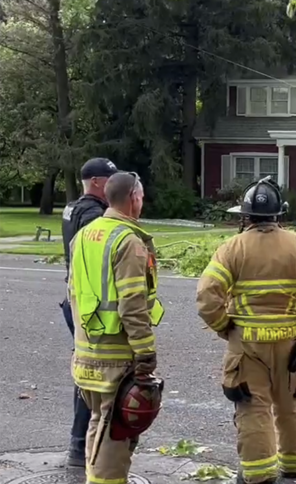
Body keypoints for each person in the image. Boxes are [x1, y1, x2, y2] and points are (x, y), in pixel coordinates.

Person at [196, 176, 296, 484]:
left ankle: (259, 474)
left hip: (247, 346)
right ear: (279, 215)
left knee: (253, 408)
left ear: (245, 216)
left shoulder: (232, 248)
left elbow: (207, 296)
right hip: (289, 343)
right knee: (290, 405)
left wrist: (224, 327)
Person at [68, 172, 166, 484]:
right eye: (142, 195)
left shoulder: (83, 236)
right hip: (117, 355)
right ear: (133, 198)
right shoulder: (128, 241)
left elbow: (73, 291)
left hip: (87, 351)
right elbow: (132, 304)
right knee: (115, 432)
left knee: (99, 423)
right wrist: (145, 352)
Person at [59, 157, 118, 467]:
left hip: (75, 299)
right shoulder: (94, 215)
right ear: (97, 182)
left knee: (87, 372)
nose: (114, 186)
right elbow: (99, 258)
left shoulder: (72, 208)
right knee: (94, 374)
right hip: (90, 305)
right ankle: (83, 446)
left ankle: (80, 443)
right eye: (110, 180)